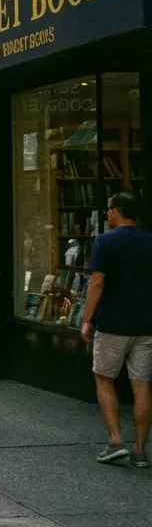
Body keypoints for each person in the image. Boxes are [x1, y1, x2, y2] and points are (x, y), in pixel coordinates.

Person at [82, 191, 152, 467]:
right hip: (146, 325)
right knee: (142, 385)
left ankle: (115, 441)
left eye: (108, 208)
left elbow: (97, 282)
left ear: (116, 211)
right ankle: (140, 449)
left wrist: (87, 319)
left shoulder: (105, 242)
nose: (107, 213)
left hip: (112, 323)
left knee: (104, 378)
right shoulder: (150, 242)